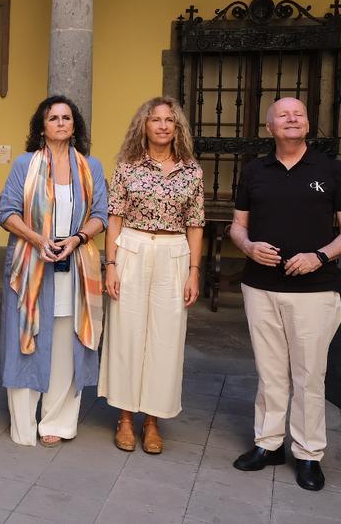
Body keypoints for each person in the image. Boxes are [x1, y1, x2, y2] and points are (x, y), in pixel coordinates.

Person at [229, 97, 341, 491]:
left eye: (298, 114)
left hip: (314, 291)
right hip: (260, 288)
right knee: (270, 373)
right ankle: (269, 445)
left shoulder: (332, 169)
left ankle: (307, 454)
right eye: (283, 114)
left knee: (309, 376)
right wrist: (249, 247)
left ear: (307, 124)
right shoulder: (254, 170)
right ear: (270, 126)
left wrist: (319, 256)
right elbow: (238, 225)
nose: (291, 118)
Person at [0, 95, 107, 447]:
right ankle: (24, 422)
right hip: (32, 264)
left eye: (66, 117)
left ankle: (57, 423)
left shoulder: (91, 167)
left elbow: (101, 215)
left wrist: (76, 239)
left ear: (74, 125)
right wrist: (37, 238)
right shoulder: (24, 164)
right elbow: (7, 212)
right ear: (41, 127)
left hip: (75, 268)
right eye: (53, 118)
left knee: (65, 345)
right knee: (26, 342)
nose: (60, 122)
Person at [98, 96, 204, 455]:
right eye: (155, 119)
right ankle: (126, 418)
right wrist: (110, 264)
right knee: (126, 333)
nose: (162, 125)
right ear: (143, 125)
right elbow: (114, 218)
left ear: (177, 128)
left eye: (169, 120)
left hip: (174, 253)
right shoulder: (127, 167)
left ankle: (154, 421)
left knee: (167, 338)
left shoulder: (192, 171)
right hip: (133, 247)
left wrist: (194, 272)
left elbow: (195, 224)